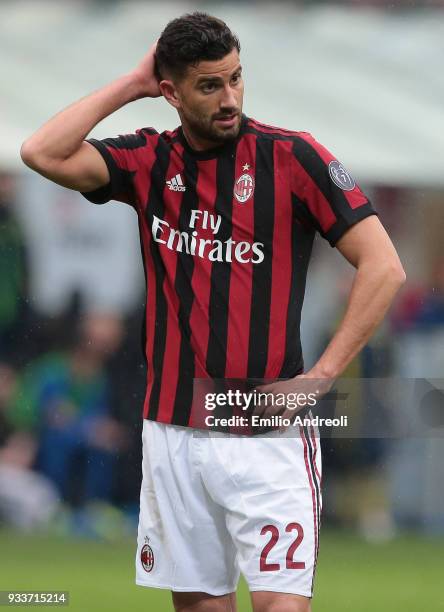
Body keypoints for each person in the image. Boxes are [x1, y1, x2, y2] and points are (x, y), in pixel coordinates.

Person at [20, 12, 406, 612]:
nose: (229, 98)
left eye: (235, 79)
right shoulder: (149, 161)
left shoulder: (293, 158)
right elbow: (40, 151)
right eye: (208, 85)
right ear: (170, 91)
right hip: (172, 429)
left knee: (282, 605)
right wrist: (131, 83)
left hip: (266, 430)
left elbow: (384, 267)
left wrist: (320, 380)